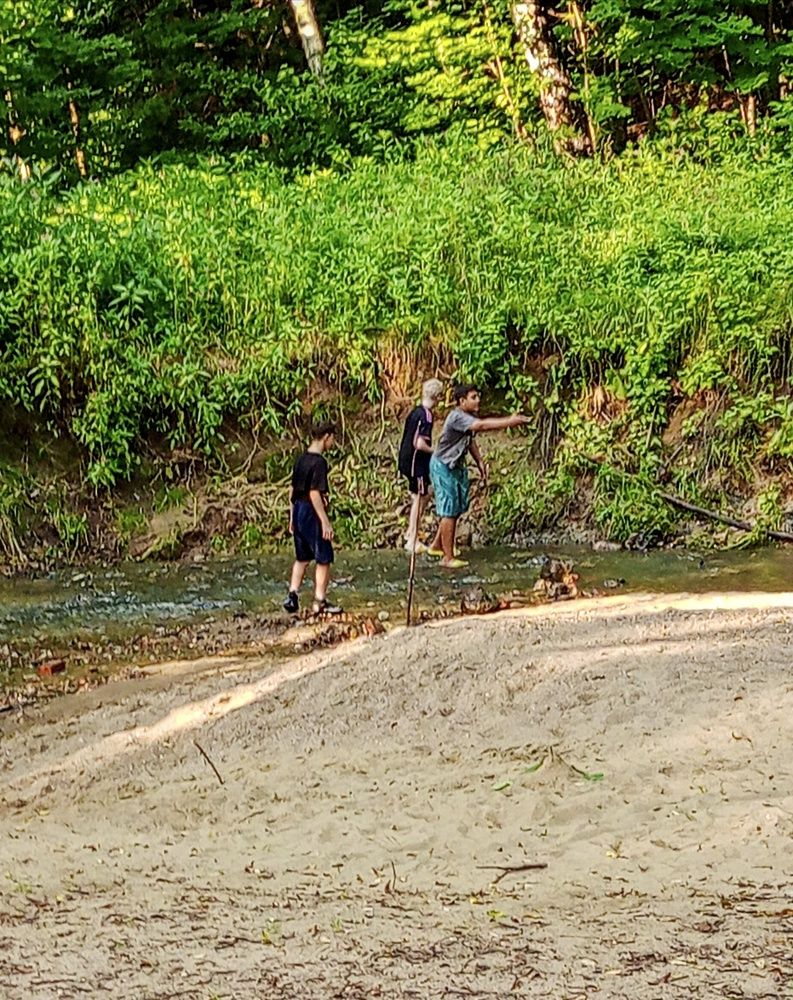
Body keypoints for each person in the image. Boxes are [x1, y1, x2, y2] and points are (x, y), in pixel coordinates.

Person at [429, 383, 529, 569]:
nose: (478, 400)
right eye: (473, 397)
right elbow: (481, 426)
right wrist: (509, 421)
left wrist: (480, 462)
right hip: (443, 465)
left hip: (455, 465)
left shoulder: (467, 417)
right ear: (462, 401)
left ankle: (437, 546)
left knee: (457, 506)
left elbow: (470, 440)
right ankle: (448, 558)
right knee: (449, 509)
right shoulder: (457, 416)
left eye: (477, 396)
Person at [283, 421, 343, 615]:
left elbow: (292, 490)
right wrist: (325, 521)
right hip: (311, 511)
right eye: (332, 438)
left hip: (298, 509)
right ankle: (320, 600)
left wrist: (292, 517)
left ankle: (292, 595)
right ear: (326, 437)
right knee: (323, 557)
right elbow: (315, 493)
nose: (333, 442)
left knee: (302, 558)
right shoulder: (319, 462)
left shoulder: (301, 459)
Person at [398, 378, 444, 553]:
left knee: (423, 494)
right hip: (415, 462)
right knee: (419, 496)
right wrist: (434, 451)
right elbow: (419, 443)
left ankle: (411, 531)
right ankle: (412, 539)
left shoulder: (414, 412)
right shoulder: (427, 415)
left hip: (406, 459)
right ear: (437, 397)